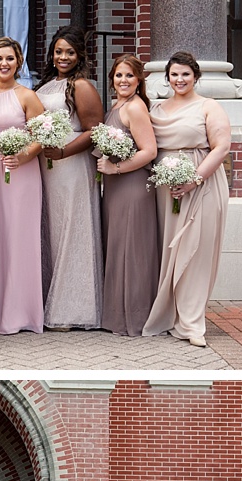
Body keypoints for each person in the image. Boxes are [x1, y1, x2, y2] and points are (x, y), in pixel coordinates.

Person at [142, 50, 232, 348]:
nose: (179, 79)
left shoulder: (209, 107)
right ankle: (169, 311)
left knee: (195, 251)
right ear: (167, 78)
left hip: (202, 184)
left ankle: (192, 323)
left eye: (185, 74)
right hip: (165, 188)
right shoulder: (156, 108)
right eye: (174, 74)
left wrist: (194, 180)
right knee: (169, 249)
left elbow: (220, 148)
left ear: (196, 76)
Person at [0, 37, 44, 335]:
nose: (4, 64)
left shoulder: (27, 96)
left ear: (19, 62)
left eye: (10, 59)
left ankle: (19, 314)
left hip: (20, 175)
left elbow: (41, 137)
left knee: (18, 239)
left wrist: (22, 156)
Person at [35, 26, 104, 330]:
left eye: (69, 52)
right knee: (53, 228)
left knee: (72, 229)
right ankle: (51, 295)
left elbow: (93, 130)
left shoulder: (82, 87)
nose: (63, 57)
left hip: (72, 166)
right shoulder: (48, 85)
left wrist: (63, 152)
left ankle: (74, 308)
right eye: (59, 51)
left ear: (80, 56)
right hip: (47, 166)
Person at [97, 54, 159, 336]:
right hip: (115, 187)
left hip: (132, 185)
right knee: (118, 248)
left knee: (132, 251)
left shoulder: (135, 108)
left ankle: (134, 317)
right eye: (118, 75)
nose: (123, 81)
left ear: (139, 80)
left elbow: (149, 151)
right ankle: (117, 314)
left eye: (129, 76)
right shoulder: (117, 105)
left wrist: (114, 167)